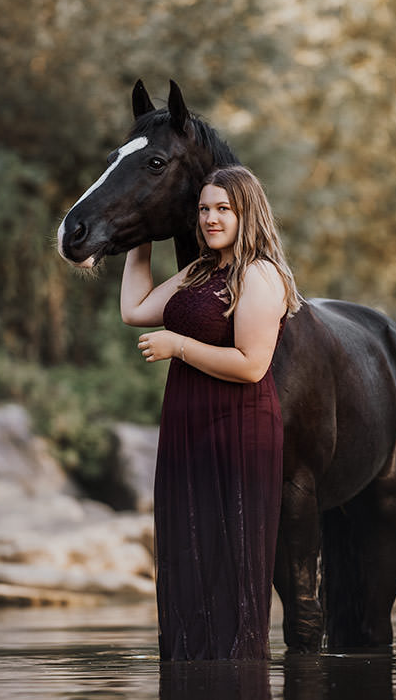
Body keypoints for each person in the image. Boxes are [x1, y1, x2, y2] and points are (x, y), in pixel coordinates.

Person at [120, 165, 300, 660]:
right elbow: (134, 309)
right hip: (188, 426)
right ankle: (191, 689)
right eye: (204, 209)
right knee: (186, 552)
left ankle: (234, 697)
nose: (211, 218)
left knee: (228, 560)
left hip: (237, 430)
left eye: (224, 208)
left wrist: (178, 344)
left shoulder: (259, 275)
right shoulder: (202, 269)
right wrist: (140, 241)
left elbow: (251, 366)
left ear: (248, 212)